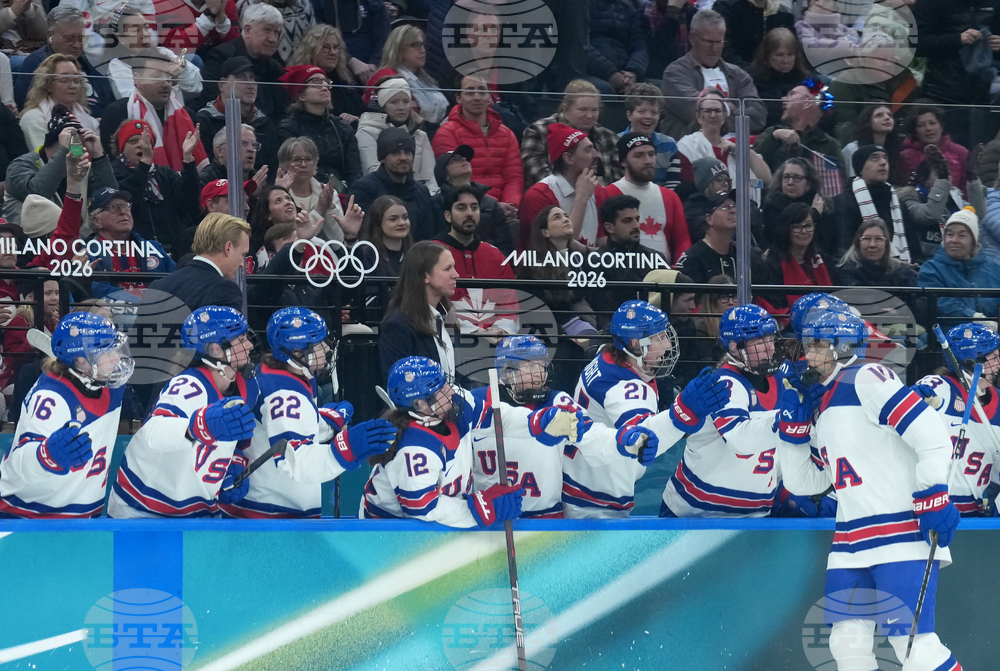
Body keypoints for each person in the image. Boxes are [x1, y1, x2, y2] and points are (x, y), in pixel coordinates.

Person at [776, 310, 962, 671]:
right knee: (846, 645)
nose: (806, 354)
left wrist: (934, 493)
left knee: (915, 650)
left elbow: (931, 434)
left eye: (816, 344)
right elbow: (806, 484)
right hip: (849, 541)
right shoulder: (822, 402)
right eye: (807, 344)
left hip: (901, 532)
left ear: (842, 345)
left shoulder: (866, 376)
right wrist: (792, 433)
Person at [222, 307, 395, 517]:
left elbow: (285, 431)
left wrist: (325, 424)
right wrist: (348, 448)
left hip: (270, 506)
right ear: (296, 353)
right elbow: (295, 461)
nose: (327, 348)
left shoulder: (284, 374)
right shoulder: (284, 395)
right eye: (318, 343)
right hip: (273, 515)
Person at [566, 300, 727, 518]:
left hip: (585, 484)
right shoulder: (625, 387)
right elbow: (643, 440)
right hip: (596, 503)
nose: (668, 345)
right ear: (634, 343)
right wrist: (683, 413)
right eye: (659, 338)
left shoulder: (608, 357)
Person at [107, 305, 256, 518]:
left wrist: (231, 465)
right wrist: (199, 425)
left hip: (192, 513)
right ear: (215, 349)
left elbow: (232, 443)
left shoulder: (244, 387)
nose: (249, 345)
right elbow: (154, 433)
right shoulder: (189, 385)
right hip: (142, 510)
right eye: (241, 340)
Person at [362, 355, 523, 525]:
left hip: (430, 532)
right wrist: (478, 509)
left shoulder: (453, 409)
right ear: (421, 404)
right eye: (441, 389)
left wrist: (537, 421)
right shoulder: (414, 450)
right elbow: (424, 510)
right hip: (384, 534)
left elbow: (495, 417)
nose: (451, 391)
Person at [659, 304, 786, 517]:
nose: (769, 348)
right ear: (736, 347)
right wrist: (790, 418)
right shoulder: (722, 383)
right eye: (760, 341)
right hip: (696, 515)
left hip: (755, 517)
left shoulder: (782, 380)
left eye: (770, 339)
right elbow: (742, 440)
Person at [0, 312, 132, 518]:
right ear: (81, 363)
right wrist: (46, 455)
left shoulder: (110, 383)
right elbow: (21, 464)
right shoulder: (50, 398)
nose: (116, 358)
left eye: (115, 348)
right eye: (107, 352)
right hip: (28, 516)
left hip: (83, 516)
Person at [471, 336, 619, 519]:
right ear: (506, 372)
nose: (539, 374)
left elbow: (592, 433)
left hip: (546, 519)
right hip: (490, 517)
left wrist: (620, 440)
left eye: (541, 366)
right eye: (530, 366)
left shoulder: (558, 402)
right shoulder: (477, 401)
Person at [913, 323, 1000, 517]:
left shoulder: (999, 402)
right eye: (993, 357)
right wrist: (909, 403)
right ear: (971, 360)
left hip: (976, 515)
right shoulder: (938, 388)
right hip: (933, 510)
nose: (998, 363)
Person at [660, 9, 767, 139]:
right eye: (709, 42)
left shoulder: (738, 74)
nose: (715, 49)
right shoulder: (675, 73)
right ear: (692, 38)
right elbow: (694, 113)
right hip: (692, 149)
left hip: (735, 149)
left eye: (719, 42)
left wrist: (714, 113)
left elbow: (759, 116)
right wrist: (730, 108)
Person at [99, 50, 208, 173]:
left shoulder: (188, 116)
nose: (166, 83)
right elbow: (112, 164)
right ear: (137, 80)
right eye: (157, 77)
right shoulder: (117, 113)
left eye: (168, 77)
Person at [432, 184, 517, 338]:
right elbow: (430, 305)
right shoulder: (431, 254)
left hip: (497, 340)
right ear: (448, 216)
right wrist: (474, 332)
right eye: (461, 208)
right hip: (448, 340)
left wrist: (501, 330)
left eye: (474, 207)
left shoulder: (495, 254)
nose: (469, 213)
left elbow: (509, 303)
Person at [4, 113, 116, 228]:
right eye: (72, 145)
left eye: (79, 145)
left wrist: (99, 157)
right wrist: (63, 151)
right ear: (50, 145)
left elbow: (110, 201)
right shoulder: (20, 165)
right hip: (29, 242)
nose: (78, 151)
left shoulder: (82, 167)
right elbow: (37, 194)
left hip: (76, 242)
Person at [914, 0, 1000, 148]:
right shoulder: (929, 3)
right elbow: (916, 44)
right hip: (941, 94)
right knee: (946, 155)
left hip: (985, 96)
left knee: (981, 158)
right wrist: (957, 39)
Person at [431, 73, 522, 212]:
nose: (477, 97)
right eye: (469, 92)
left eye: (481, 91)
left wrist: (511, 204)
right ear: (458, 98)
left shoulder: (507, 134)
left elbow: (514, 177)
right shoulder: (446, 133)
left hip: (505, 208)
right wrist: (495, 206)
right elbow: (455, 180)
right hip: (467, 207)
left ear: (490, 96)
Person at [111, 119, 201, 252]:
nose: (140, 145)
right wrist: (144, 163)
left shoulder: (165, 173)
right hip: (134, 248)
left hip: (172, 248)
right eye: (133, 141)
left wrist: (188, 160)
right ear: (121, 148)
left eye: (145, 140)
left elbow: (188, 203)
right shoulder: (113, 172)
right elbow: (127, 198)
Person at [378, 240, 458, 384]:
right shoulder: (398, 326)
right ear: (425, 276)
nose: (456, 274)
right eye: (447, 269)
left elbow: (452, 376)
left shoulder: (445, 317)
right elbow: (401, 385)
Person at [519, 123, 607, 249]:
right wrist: (581, 199)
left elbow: (606, 248)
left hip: (591, 267)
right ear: (568, 158)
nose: (596, 155)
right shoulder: (539, 195)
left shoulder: (599, 192)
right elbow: (560, 249)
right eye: (588, 150)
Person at [13, 6, 115, 116]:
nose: (77, 45)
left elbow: (109, 100)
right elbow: (26, 106)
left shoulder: (90, 61)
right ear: (50, 36)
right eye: (69, 39)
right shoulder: (35, 64)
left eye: (81, 39)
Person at [605, 133, 690, 264]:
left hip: (664, 275)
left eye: (651, 154)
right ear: (623, 161)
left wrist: (679, 270)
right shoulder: (609, 193)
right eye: (639, 155)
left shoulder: (670, 196)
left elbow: (682, 241)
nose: (648, 161)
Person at [827, 145, 921, 262]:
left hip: (901, 271)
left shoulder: (899, 205)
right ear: (860, 168)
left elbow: (914, 249)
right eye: (874, 158)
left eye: (885, 158)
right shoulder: (844, 201)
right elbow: (843, 247)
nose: (883, 162)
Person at [518, 205, 599, 341]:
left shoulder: (580, 259)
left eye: (566, 216)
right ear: (545, 232)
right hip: (548, 330)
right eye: (557, 217)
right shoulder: (531, 264)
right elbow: (532, 307)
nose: (566, 219)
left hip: (581, 322)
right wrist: (560, 334)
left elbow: (591, 297)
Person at [521, 80, 622, 189]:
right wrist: (571, 192)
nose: (589, 116)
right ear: (566, 108)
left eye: (594, 110)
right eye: (583, 109)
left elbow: (620, 175)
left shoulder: (608, 136)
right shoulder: (539, 130)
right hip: (553, 199)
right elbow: (535, 171)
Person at [589, 194, 667, 330]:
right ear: (609, 227)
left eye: (637, 219)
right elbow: (602, 308)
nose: (636, 225)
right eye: (627, 221)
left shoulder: (655, 258)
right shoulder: (596, 261)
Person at [277, 64, 362, 188]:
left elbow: (354, 171)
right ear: (301, 95)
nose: (325, 87)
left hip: (340, 194)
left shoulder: (342, 127)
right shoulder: (287, 128)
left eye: (326, 82)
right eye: (316, 82)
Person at [146, 212, 251, 312]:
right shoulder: (225, 290)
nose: (242, 264)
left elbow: (139, 331)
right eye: (242, 254)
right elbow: (228, 330)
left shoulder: (158, 286)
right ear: (228, 248)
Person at [86, 186, 177, 299]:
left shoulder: (152, 248)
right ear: (96, 221)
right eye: (113, 207)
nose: (123, 212)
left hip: (158, 311)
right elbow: (96, 291)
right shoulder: (88, 254)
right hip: (112, 314)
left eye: (126, 206)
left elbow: (177, 281)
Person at [897, 145, 987, 259]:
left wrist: (972, 178)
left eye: (946, 173)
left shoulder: (953, 197)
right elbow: (929, 215)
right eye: (939, 174)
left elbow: (977, 215)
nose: (946, 178)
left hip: (958, 257)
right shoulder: (908, 195)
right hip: (926, 260)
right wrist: (942, 181)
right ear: (924, 179)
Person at [195, 56, 280, 178]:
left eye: (253, 78)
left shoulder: (265, 123)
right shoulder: (204, 121)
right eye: (242, 78)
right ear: (222, 85)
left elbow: (272, 168)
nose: (251, 85)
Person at [199, 4, 287, 120]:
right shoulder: (221, 56)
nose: (273, 39)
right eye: (267, 30)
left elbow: (282, 111)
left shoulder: (275, 68)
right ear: (247, 29)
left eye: (276, 32)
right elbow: (211, 99)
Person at [348, 126, 436, 242]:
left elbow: (427, 235)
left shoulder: (422, 191)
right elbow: (365, 233)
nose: (403, 157)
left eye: (408, 152)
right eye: (395, 152)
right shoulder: (363, 189)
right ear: (382, 158)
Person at [675, 89, 771, 192]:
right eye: (707, 111)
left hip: (742, 204)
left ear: (724, 116)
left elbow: (765, 180)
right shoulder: (687, 145)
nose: (713, 115)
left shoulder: (734, 147)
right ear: (698, 117)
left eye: (717, 111)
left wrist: (742, 150)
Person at [103, 6, 202, 103]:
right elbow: (130, 100)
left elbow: (196, 88)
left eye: (146, 27)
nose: (145, 34)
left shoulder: (164, 53)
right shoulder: (118, 64)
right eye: (136, 30)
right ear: (122, 39)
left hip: (176, 115)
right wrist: (166, 80)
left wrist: (182, 68)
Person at [918, 207, 1000, 322]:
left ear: (974, 241)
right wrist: (973, 318)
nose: (954, 240)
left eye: (962, 236)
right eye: (950, 235)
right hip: (948, 335)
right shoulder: (931, 269)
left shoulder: (994, 270)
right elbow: (941, 303)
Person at [752, 83, 844, 185]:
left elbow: (837, 183)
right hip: (770, 198)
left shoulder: (829, 144)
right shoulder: (772, 132)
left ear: (807, 103)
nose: (783, 99)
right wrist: (773, 138)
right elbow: (751, 164)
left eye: (792, 94)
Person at [356, 77, 436, 192]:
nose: (401, 107)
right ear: (383, 104)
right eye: (394, 102)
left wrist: (430, 200)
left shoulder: (420, 135)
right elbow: (373, 171)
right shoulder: (367, 132)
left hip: (419, 197)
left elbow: (430, 178)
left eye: (406, 101)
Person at [754, 202, 832, 313]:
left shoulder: (824, 260)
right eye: (797, 227)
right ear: (786, 229)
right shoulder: (771, 264)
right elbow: (773, 305)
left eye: (808, 226)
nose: (804, 231)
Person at [431, 146, 512, 254]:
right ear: (445, 175)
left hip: (488, 262)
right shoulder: (436, 203)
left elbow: (505, 245)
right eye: (454, 159)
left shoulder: (491, 203)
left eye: (465, 158)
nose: (464, 160)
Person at [275, 136, 348, 242]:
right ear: (284, 165)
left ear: (315, 163)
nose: (303, 165)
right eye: (296, 160)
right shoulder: (278, 194)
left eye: (309, 159)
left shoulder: (327, 193)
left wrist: (329, 207)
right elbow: (288, 238)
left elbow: (338, 241)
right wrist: (319, 210)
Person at [287, 24, 365, 123]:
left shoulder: (347, 81)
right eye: (326, 48)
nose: (333, 52)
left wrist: (357, 119)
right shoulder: (298, 81)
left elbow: (363, 111)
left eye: (336, 47)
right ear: (312, 50)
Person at [19, 54, 98, 150]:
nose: (72, 85)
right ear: (47, 84)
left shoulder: (91, 122)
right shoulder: (34, 119)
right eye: (64, 80)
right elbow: (42, 158)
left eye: (76, 80)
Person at [378, 24, 448, 125]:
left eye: (423, 44)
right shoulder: (386, 75)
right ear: (399, 49)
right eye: (415, 45)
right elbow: (373, 103)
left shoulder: (424, 78)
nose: (422, 50)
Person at [620, 83, 681, 190]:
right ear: (629, 115)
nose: (648, 116)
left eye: (654, 112)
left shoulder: (669, 144)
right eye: (641, 111)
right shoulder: (615, 142)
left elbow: (673, 185)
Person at [899, 106, 971, 196]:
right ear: (915, 132)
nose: (928, 128)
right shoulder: (908, 155)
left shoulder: (961, 151)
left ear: (941, 126)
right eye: (921, 125)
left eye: (932, 123)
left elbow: (967, 188)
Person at [748, 27, 812, 129]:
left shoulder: (809, 79)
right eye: (779, 55)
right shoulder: (750, 79)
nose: (785, 60)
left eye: (790, 55)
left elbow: (828, 105)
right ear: (766, 55)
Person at [585, 0, 649, 96]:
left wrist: (633, 72)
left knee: (656, 89)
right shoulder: (580, 6)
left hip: (627, 71)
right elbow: (580, 46)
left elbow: (640, 46)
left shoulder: (629, 8)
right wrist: (610, 73)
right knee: (604, 89)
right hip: (591, 71)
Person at [673, 190, 737, 283]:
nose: (733, 211)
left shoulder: (744, 256)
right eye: (724, 207)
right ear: (709, 219)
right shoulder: (692, 260)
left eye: (735, 206)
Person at [836, 218, 917, 288]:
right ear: (858, 243)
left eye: (878, 239)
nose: (872, 245)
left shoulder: (900, 271)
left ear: (886, 244)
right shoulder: (848, 272)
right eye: (867, 239)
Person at [761, 158, 825, 247]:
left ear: (808, 183)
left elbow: (825, 242)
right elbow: (781, 238)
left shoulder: (820, 204)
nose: (790, 182)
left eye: (797, 178)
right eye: (786, 177)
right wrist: (814, 214)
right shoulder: (773, 205)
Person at [713, 0, 794, 70]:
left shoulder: (783, 12)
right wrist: (752, 72)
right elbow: (724, 51)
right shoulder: (726, 7)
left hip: (777, 76)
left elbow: (795, 54)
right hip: (737, 76)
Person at [236, 0, 315, 63]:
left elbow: (312, 38)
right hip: (256, 63)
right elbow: (243, 37)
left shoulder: (304, 4)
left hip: (298, 65)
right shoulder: (247, 3)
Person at [841, 104, 902, 180]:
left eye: (890, 115)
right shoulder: (852, 149)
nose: (887, 118)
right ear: (868, 122)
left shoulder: (895, 149)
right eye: (879, 115)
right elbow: (852, 179)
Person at [200, 124, 268, 189]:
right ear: (220, 151)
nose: (251, 149)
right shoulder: (204, 181)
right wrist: (250, 195)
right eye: (243, 143)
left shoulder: (259, 182)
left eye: (254, 145)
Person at [359, 194, 412, 276]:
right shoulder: (367, 256)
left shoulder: (418, 254)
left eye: (405, 217)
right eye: (393, 219)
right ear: (378, 223)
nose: (402, 223)